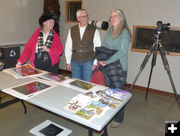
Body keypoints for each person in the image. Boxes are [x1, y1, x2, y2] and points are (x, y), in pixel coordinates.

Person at [97, 9, 131, 127]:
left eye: (114, 16)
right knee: (109, 92)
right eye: (110, 17)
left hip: (118, 66)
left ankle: (119, 119)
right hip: (107, 65)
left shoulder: (124, 32)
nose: (111, 19)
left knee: (118, 93)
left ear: (121, 18)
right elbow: (104, 46)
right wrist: (100, 58)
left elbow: (122, 51)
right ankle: (110, 113)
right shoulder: (110, 30)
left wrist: (108, 60)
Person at [65, 9, 101, 82]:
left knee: (88, 83)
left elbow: (98, 47)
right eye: (83, 16)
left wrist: (95, 62)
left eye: (87, 16)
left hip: (88, 61)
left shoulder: (94, 30)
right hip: (75, 61)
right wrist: (68, 61)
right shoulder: (72, 29)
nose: (86, 18)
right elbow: (68, 46)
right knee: (76, 82)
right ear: (78, 18)